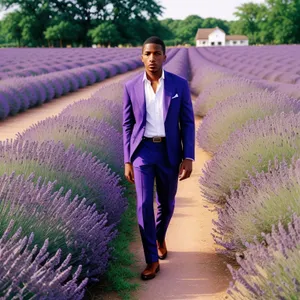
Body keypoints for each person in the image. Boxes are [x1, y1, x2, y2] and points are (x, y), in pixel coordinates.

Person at [122, 36, 195, 280]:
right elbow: (127, 125)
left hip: (170, 152)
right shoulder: (130, 86)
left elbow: (187, 122)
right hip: (143, 152)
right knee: (143, 205)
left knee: (167, 203)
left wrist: (188, 156)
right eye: (148, 54)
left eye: (157, 53)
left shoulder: (179, 85)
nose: (152, 58)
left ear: (165, 56)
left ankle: (160, 235)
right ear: (141, 56)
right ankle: (152, 259)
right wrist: (128, 160)